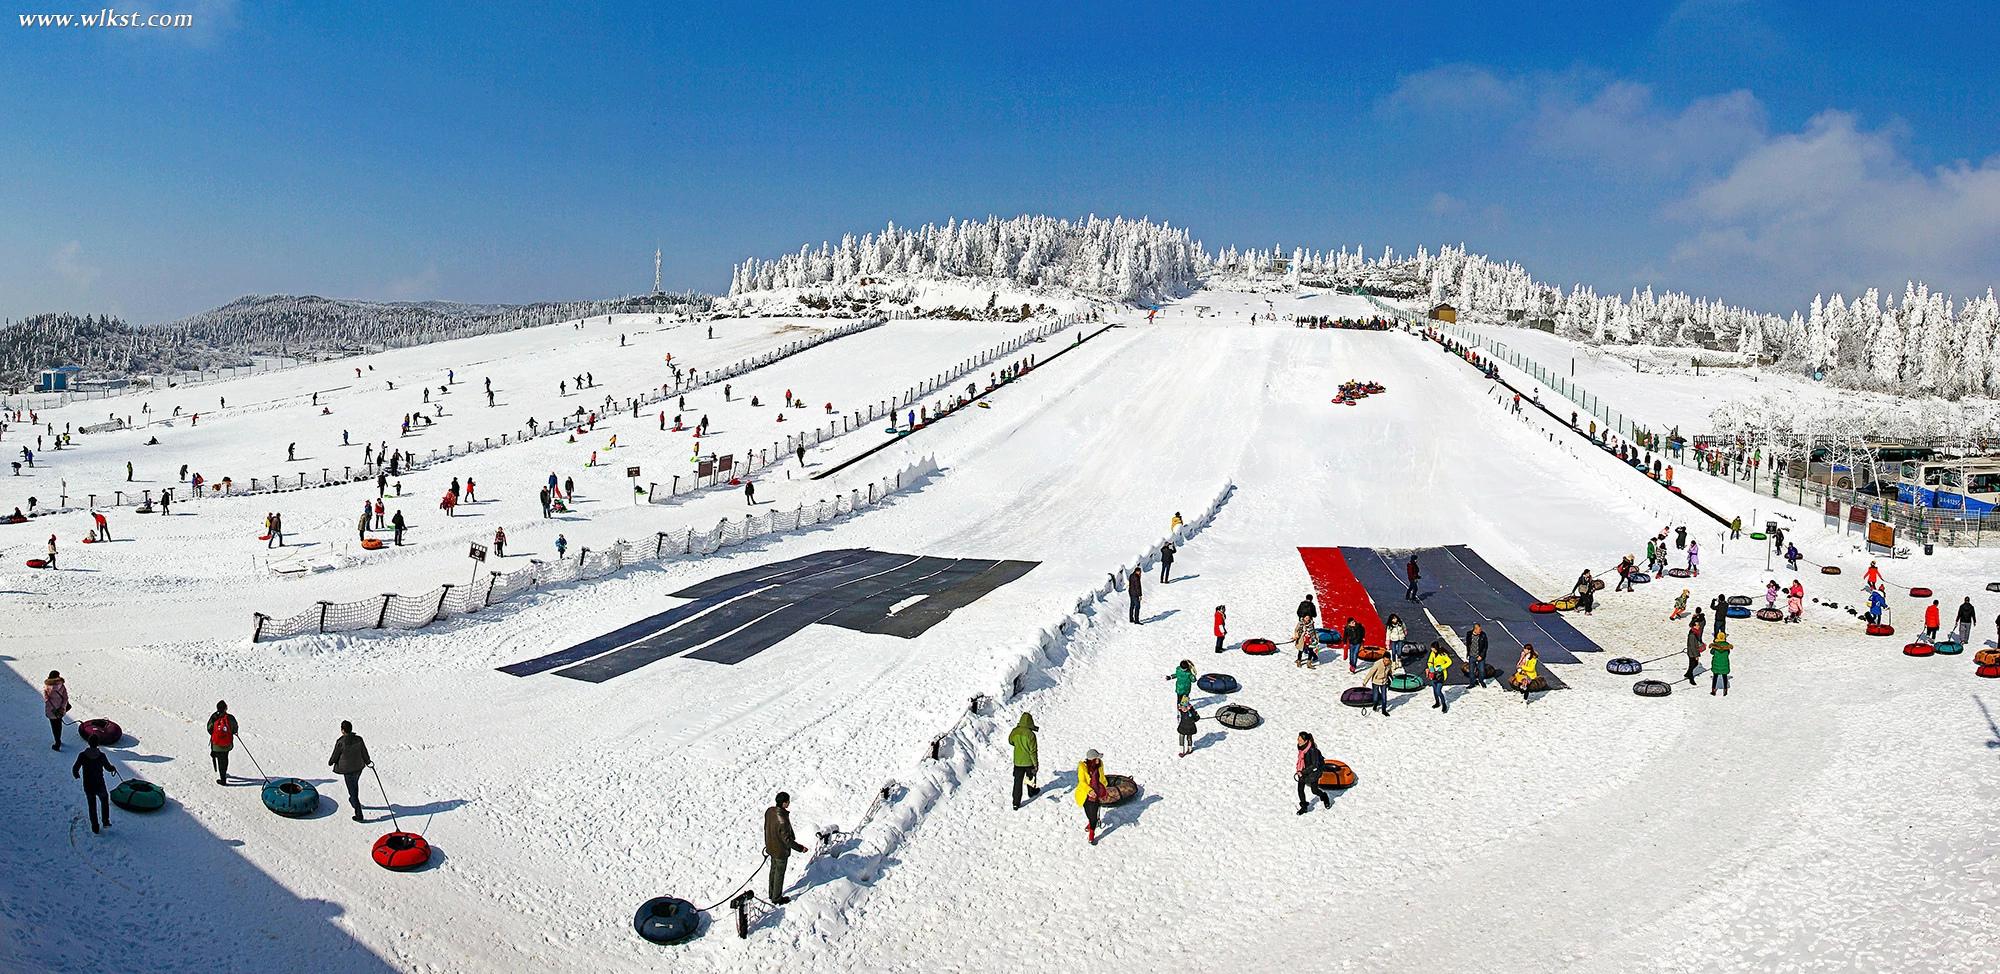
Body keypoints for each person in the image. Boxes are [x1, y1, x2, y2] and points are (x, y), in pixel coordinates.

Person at [763, 792, 808, 903]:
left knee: (773, 871)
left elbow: (766, 827)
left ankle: (772, 893)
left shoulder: (769, 811)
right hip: (780, 851)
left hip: (771, 847)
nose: (789, 803)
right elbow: (787, 840)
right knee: (779, 874)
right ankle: (777, 898)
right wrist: (800, 848)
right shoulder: (782, 820)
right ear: (784, 803)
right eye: (788, 801)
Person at [329, 720, 372, 823]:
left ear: (343, 730)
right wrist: (368, 761)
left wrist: (331, 762)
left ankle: (358, 814)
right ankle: (354, 801)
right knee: (354, 785)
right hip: (358, 768)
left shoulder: (341, 742)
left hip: (348, 770)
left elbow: (335, 755)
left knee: (352, 792)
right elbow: (364, 752)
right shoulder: (359, 739)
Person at [72, 740, 115, 834]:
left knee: (92, 806)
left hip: (88, 784)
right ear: (97, 744)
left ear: (89, 743)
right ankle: (105, 821)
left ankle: (95, 827)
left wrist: (76, 774)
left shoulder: (82, 755)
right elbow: (108, 767)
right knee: (104, 800)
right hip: (100, 783)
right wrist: (113, 768)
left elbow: (75, 768)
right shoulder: (101, 756)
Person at [1075, 750, 1110, 844]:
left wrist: (1104, 788)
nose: (1099, 760)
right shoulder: (1083, 768)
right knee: (1089, 813)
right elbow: (1082, 782)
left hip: (1098, 792)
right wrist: (1089, 791)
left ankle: (1092, 833)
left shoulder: (1100, 764)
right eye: (1097, 758)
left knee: (1093, 815)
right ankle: (1091, 822)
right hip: (1086, 794)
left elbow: (1102, 777)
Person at [1295, 732, 1331, 815]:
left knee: (1314, 791)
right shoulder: (1302, 747)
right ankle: (1304, 807)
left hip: (1313, 773)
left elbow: (1314, 765)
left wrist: (1302, 771)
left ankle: (1324, 796)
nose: (1298, 741)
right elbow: (1302, 760)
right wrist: (1300, 770)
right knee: (1300, 789)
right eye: (1298, 738)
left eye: (1300, 739)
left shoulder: (1312, 750)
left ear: (1306, 741)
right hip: (1303, 771)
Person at [1009, 714, 1039, 809]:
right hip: (1029, 762)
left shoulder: (1015, 731)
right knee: (1030, 777)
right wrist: (1035, 764)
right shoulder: (1031, 735)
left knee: (1017, 782)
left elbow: (1010, 741)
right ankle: (1031, 792)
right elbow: (1033, 751)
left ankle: (1016, 802)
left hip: (1018, 762)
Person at [207, 702, 238, 784]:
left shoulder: (214, 717)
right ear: (226, 708)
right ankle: (223, 774)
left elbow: (209, 728)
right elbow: (235, 729)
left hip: (216, 744)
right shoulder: (230, 717)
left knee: (220, 759)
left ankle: (223, 779)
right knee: (224, 759)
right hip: (227, 744)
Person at [42, 670, 70, 750]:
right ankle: (59, 739)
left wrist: (52, 707)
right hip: (60, 710)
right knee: (59, 725)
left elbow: (46, 699)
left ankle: (57, 742)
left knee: (54, 727)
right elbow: (65, 698)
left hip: (51, 711)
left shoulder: (47, 686)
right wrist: (62, 707)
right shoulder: (61, 685)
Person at [1426, 641, 1453, 712]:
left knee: (1438, 691)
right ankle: (1437, 702)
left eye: (1433, 648)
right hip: (1434, 674)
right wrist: (1431, 667)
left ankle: (1444, 704)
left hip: (1441, 675)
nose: (1432, 650)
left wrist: (1442, 667)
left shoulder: (1442, 654)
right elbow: (1429, 661)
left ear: (1436, 648)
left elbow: (1449, 662)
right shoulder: (1432, 653)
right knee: (1434, 690)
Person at [1365, 651, 1394, 716]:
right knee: (1375, 696)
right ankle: (1375, 705)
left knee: (1384, 696)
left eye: (1388, 660)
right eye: (1385, 660)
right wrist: (1365, 682)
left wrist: (1391, 676)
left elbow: (1389, 670)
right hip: (1376, 681)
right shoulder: (1377, 664)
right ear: (1383, 658)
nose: (1386, 662)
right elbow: (1370, 673)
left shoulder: (1389, 663)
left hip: (1384, 681)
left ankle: (1384, 710)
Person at [1463, 623, 1488, 687]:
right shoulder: (1469, 634)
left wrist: (1481, 656)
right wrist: (1468, 653)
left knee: (1482, 671)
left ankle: (1481, 681)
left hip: (1480, 656)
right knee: (1471, 671)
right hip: (1472, 656)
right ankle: (1472, 683)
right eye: (1479, 630)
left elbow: (1485, 647)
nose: (1480, 631)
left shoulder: (1483, 635)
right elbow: (1468, 644)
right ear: (1475, 629)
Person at [1685, 619, 1705, 685]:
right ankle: (1691, 678)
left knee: (1694, 664)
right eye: (1697, 625)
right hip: (1692, 653)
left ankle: (1688, 674)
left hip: (1692, 651)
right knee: (1693, 664)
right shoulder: (1692, 635)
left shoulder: (1695, 632)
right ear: (1694, 626)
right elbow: (1693, 646)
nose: (1699, 626)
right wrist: (1696, 655)